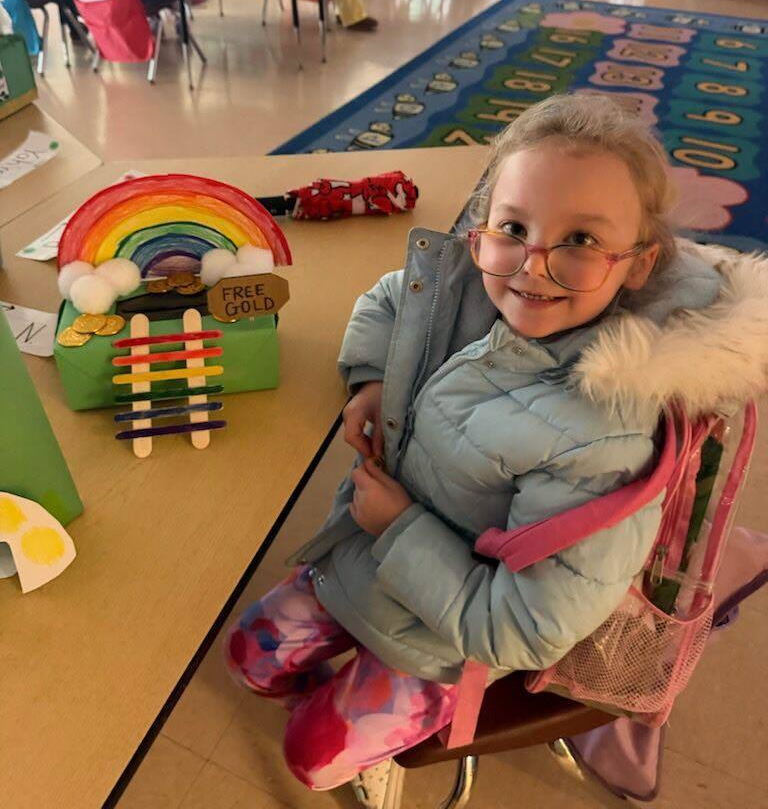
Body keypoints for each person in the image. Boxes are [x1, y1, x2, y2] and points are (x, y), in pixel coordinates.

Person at [225, 92, 768, 807]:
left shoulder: (606, 436)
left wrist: (398, 528)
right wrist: (372, 382)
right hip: (359, 554)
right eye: (514, 228)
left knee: (309, 756)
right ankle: (347, 700)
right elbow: (388, 300)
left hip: (448, 639)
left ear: (638, 265)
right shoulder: (476, 284)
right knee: (249, 658)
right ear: (485, 226)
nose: (532, 267)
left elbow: (528, 630)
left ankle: (375, 741)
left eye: (579, 240)